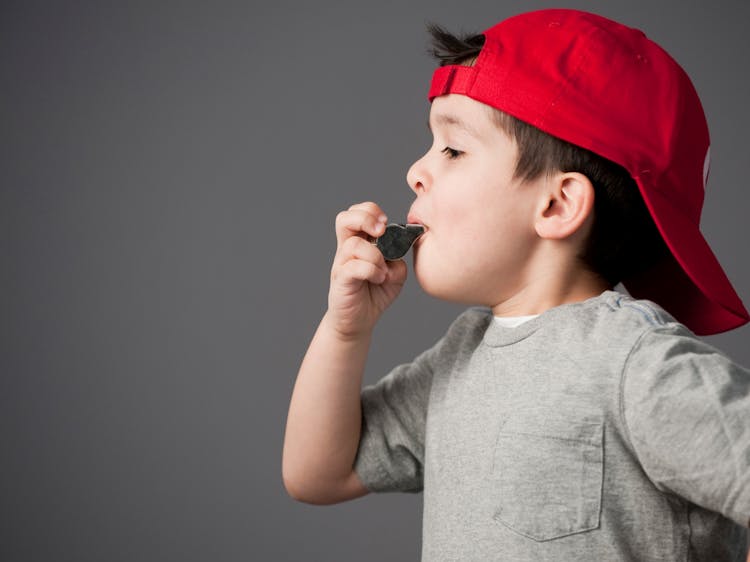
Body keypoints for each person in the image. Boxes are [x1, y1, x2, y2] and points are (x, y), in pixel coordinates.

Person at [282, 9, 750, 561]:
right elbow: (318, 475)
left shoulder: (633, 364)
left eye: (453, 148)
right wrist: (345, 331)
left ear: (557, 205)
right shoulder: (461, 357)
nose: (416, 169)